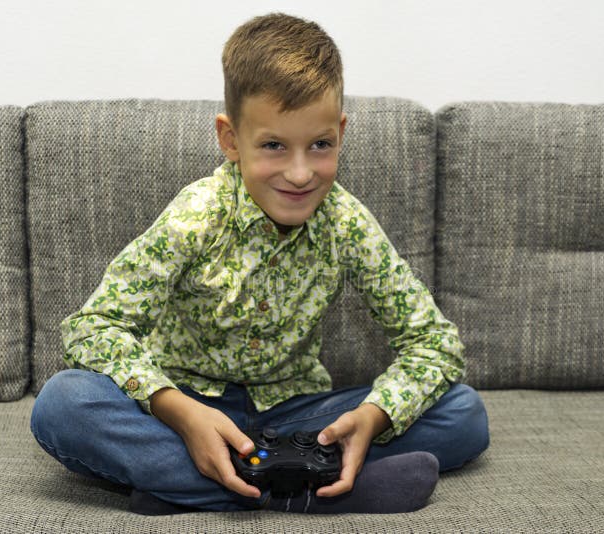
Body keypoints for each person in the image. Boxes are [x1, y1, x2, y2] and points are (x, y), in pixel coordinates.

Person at [30, 12, 489, 515]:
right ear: (231, 139)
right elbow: (93, 327)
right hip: (187, 411)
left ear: (341, 132)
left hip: (298, 420)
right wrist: (178, 410)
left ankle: (189, 486)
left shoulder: (347, 223)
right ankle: (314, 495)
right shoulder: (197, 215)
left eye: (320, 145)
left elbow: (435, 343)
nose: (300, 173)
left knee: (464, 413)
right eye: (274, 145)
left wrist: (375, 417)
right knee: (63, 403)